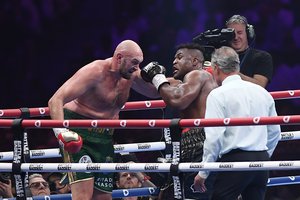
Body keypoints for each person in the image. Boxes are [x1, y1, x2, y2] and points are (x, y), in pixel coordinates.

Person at [48, 39, 160, 200]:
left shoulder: (131, 74)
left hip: (105, 138)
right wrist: (60, 133)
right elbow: (56, 100)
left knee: (103, 198)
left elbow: (155, 93)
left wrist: (158, 77)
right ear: (119, 57)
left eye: (139, 63)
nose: (137, 68)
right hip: (80, 136)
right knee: (83, 196)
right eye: (134, 62)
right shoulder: (95, 71)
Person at [193, 46, 281, 200]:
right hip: (261, 161)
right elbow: (275, 132)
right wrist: (263, 157)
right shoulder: (262, 92)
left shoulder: (218, 95)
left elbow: (214, 138)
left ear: (216, 68)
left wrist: (203, 172)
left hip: (236, 161)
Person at [141, 43, 217, 199]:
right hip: (194, 143)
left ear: (195, 61)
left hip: (199, 142)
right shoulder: (186, 82)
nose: (174, 61)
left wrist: (157, 77)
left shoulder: (198, 74)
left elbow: (177, 99)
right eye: (174, 57)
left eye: (180, 57)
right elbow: (154, 89)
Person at [225, 14, 273, 88]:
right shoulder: (221, 57)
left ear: (248, 34)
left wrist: (233, 74)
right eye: (231, 34)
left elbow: (260, 86)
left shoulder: (262, 57)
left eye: (239, 33)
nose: (236, 37)